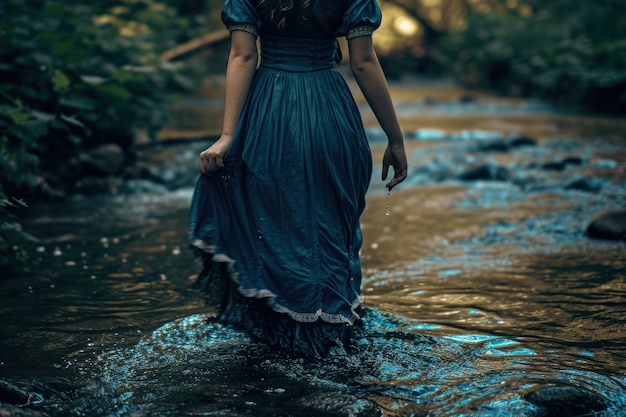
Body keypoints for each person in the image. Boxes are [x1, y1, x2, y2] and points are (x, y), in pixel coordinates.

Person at [189, 0, 407, 357]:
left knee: (275, 223)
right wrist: (394, 138)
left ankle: (282, 331)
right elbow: (364, 63)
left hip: (269, 110)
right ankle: (332, 333)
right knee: (331, 224)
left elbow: (244, 57)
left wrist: (228, 136)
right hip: (329, 110)